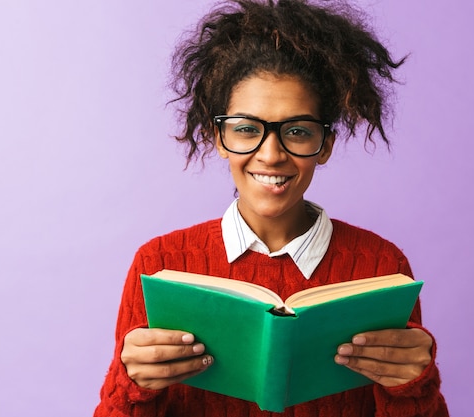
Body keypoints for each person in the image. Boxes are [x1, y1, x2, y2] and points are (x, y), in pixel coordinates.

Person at [94, 0, 449, 416]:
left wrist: (414, 386)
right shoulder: (159, 262)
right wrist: (132, 385)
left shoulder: (382, 266)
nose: (271, 155)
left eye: (297, 131)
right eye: (247, 129)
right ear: (217, 137)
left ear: (326, 145)